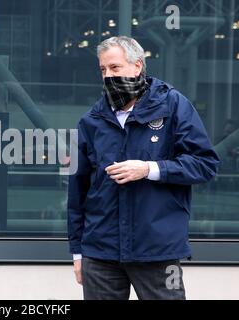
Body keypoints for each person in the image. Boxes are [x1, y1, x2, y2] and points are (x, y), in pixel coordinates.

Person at [68, 36, 220, 300]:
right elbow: (77, 189)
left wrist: (149, 169)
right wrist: (78, 252)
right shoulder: (91, 120)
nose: (108, 76)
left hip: (157, 249)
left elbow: (205, 164)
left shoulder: (173, 106)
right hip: (100, 251)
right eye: (103, 70)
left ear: (137, 66)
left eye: (115, 68)